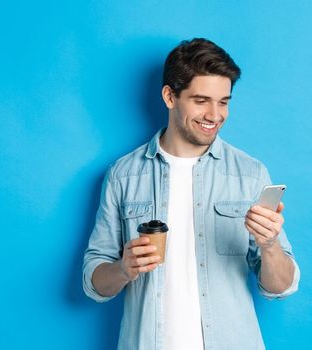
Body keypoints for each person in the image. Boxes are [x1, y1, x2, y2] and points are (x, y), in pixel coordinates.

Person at [82, 38, 300, 350]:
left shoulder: (250, 174)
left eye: (223, 101)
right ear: (170, 96)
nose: (215, 115)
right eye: (201, 100)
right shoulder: (123, 175)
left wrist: (269, 245)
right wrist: (122, 268)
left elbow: (281, 287)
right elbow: (94, 283)